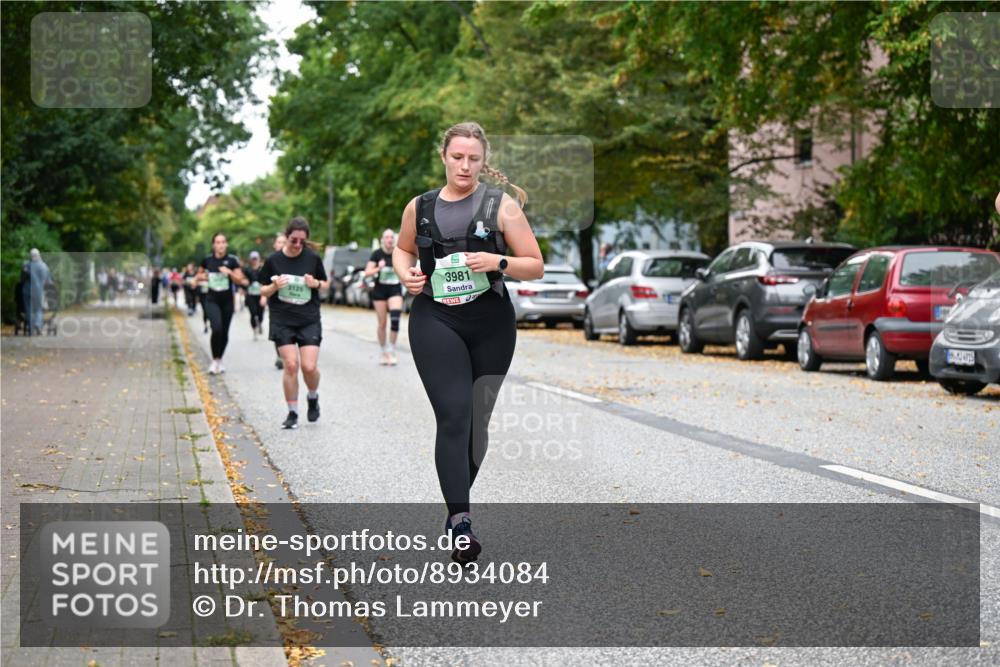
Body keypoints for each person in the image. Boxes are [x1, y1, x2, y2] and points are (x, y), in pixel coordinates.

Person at [393, 122, 543, 564]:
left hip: (491, 320)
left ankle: (455, 502)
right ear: (444, 156)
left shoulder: (502, 206)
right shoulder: (418, 208)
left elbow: (534, 265)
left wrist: (497, 259)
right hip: (435, 318)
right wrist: (406, 273)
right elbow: (402, 251)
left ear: (483, 160)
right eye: (457, 157)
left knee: (477, 426)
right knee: (454, 417)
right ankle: (461, 521)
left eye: (473, 158)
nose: (465, 165)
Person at [258, 218, 329, 429]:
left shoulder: (312, 259)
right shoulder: (273, 260)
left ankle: (313, 397)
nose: (297, 245)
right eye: (293, 240)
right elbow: (261, 289)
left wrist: (314, 283)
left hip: (308, 319)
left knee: (309, 367)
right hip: (282, 319)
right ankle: (292, 413)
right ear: (286, 236)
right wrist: (273, 286)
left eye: (302, 241)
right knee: (290, 365)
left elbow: (325, 284)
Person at [196, 233, 248, 374]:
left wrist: (229, 273)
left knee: (224, 332)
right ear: (213, 244)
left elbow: (240, 280)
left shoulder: (232, 260)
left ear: (226, 244)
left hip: (227, 301)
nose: (220, 245)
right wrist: (204, 276)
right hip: (211, 300)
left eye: (223, 242)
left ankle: (219, 360)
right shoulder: (207, 260)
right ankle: (214, 360)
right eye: (218, 242)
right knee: (217, 328)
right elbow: (198, 276)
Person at [365, 228, 404, 365]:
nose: (389, 239)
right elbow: (367, 272)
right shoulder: (377, 254)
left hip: (395, 289)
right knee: (382, 323)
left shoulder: (398, 252)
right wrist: (378, 268)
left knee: (395, 319)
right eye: (387, 237)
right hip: (380, 291)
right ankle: (383, 351)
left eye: (391, 237)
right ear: (382, 240)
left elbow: (406, 266)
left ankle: (391, 349)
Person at [265, 232, 288, 370]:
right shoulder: (270, 261)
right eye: (279, 242)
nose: (281, 245)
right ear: (275, 245)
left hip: (291, 302)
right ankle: (279, 355)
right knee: (278, 330)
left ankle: (287, 355)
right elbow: (263, 284)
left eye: (284, 242)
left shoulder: (294, 260)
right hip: (275, 302)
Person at [27, 249, 53, 334]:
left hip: (28, 290)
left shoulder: (27, 265)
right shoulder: (44, 266)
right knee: (39, 309)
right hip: (39, 291)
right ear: (39, 255)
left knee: (30, 309)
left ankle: (31, 326)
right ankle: (38, 324)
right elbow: (49, 282)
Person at [243, 250, 266, 340]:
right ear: (250, 259)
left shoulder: (263, 269)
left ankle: (259, 323)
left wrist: (264, 296)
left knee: (260, 313)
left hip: (261, 294)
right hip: (250, 295)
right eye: (253, 259)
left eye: (256, 259)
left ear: (258, 259)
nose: (254, 260)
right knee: (253, 312)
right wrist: (244, 284)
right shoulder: (247, 269)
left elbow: (266, 281)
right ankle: (254, 330)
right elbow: (242, 280)